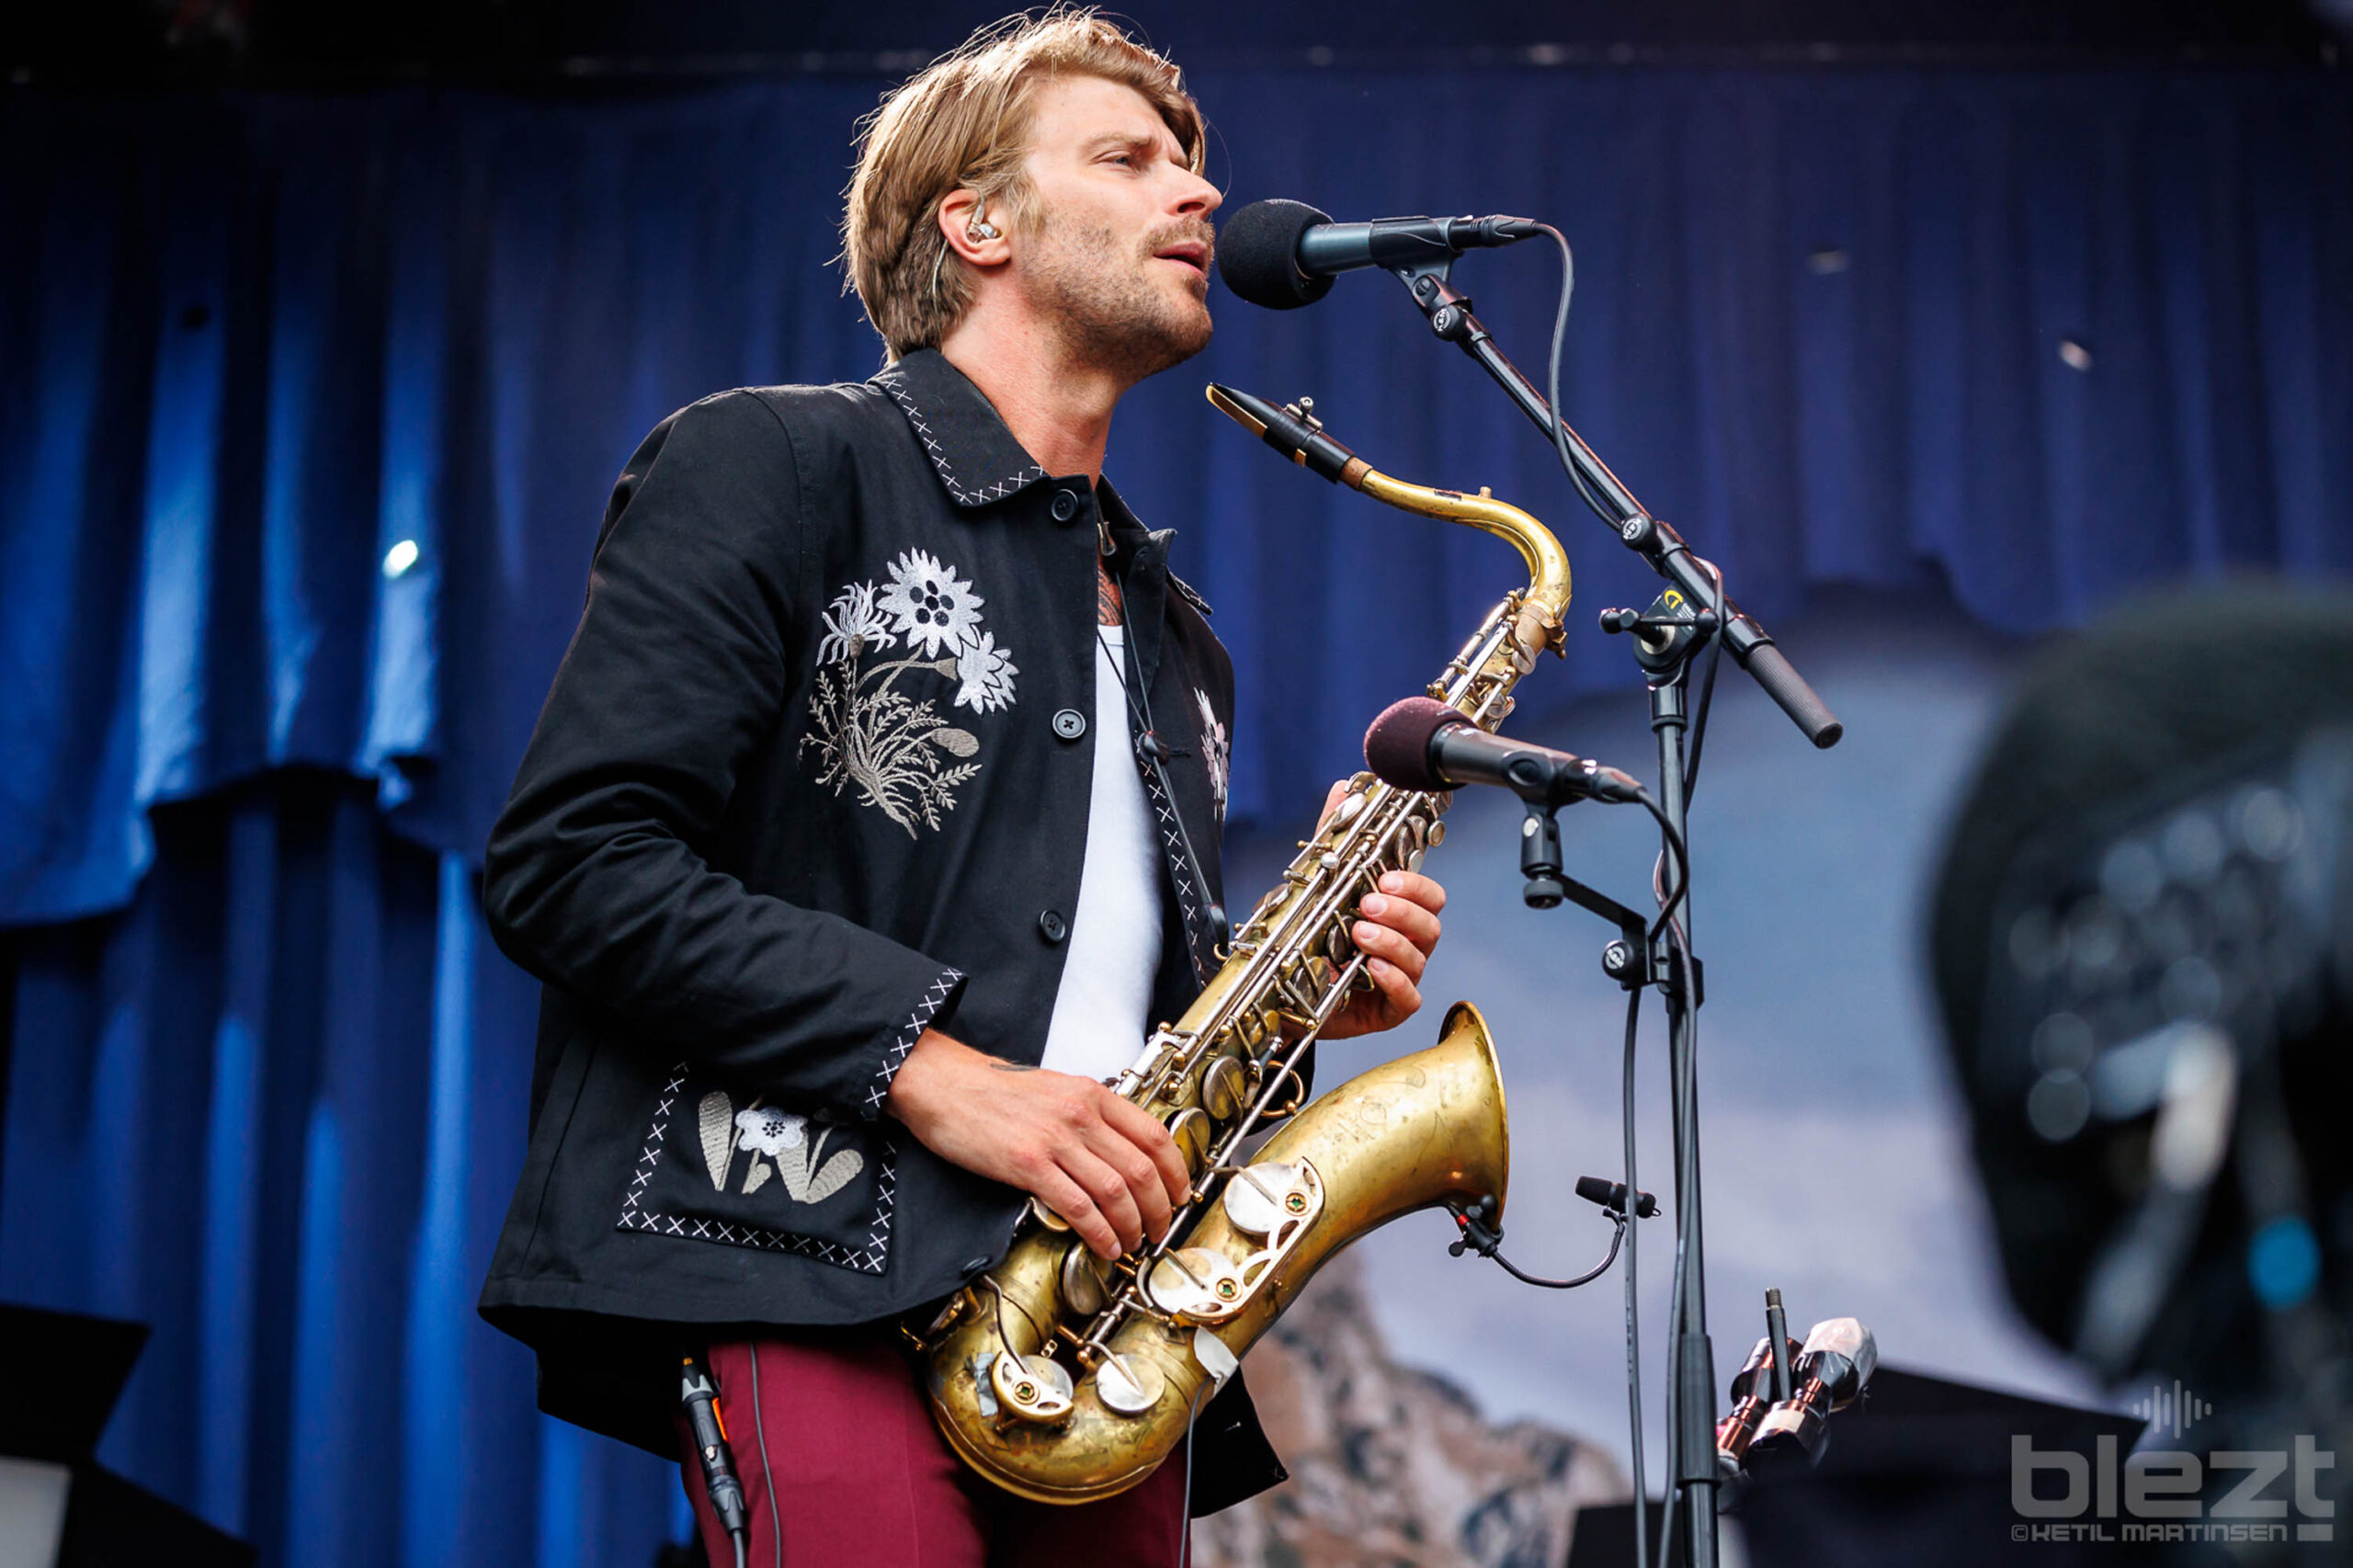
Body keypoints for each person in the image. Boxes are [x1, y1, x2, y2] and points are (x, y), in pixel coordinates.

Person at [474, 13, 1449, 1566]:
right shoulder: (777, 463)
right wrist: (942, 1073)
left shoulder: (1179, 635)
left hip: (1097, 1340)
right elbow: (572, 863)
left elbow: (1129, 1051)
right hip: (801, 1259)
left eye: (1195, 164)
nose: (1197, 197)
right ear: (975, 223)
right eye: (1129, 160)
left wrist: (1296, 1013)